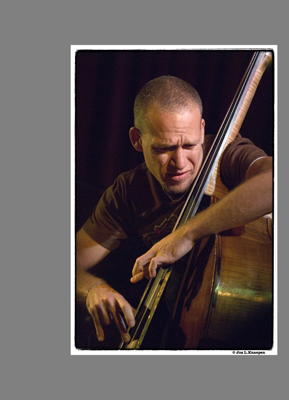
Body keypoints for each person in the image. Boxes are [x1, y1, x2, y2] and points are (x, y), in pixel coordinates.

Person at [76, 76, 273, 348]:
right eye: (164, 148)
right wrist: (92, 289)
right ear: (137, 139)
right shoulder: (129, 191)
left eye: (191, 145)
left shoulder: (227, 156)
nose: (180, 162)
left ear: (202, 130)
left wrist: (187, 234)